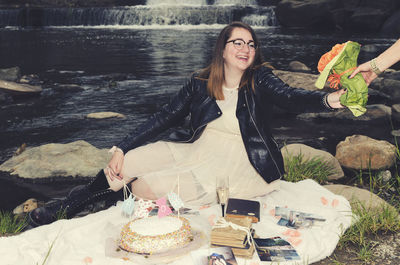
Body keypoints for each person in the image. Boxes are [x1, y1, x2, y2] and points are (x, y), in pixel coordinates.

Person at [29, 21, 346, 227]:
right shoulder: (200, 82)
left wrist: (327, 100)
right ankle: (69, 205)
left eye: (250, 44)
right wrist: (120, 147)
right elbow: (163, 118)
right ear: (222, 49)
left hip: (242, 163)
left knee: (143, 186)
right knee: (129, 162)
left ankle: (93, 201)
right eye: (237, 42)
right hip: (198, 149)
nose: (245, 49)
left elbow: (290, 97)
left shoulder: (261, 78)